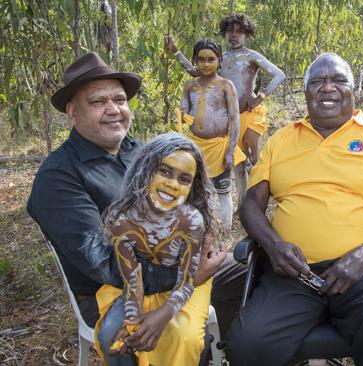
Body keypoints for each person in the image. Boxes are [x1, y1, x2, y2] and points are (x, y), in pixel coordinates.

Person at [27, 52, 245, 349]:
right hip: (112, 290)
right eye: (98, 102)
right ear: (73, 113)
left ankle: (226, 348)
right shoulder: (58, 177)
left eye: (119, 100)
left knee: (250, 273)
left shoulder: (140, 151)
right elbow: (102, 262)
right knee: (124, 335)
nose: (113, 109)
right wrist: (187, 275)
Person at [227, 53, 363, 366]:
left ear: (353, 90)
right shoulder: (282, 140)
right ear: (305, 93)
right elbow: (251, 204)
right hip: (293, 273)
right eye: (317, 81)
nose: (327, 87)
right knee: (247, 345)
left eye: (338, 80)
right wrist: (273, 246)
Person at [96, 133, 215, 365]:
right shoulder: (121, 219)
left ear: (192, 186)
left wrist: (164, 314)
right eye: (165, 171)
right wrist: (133, 321)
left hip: (188, 284)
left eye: (184, 179)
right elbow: (131, 279)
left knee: (184, 338)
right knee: (113, 336)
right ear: (145, 169)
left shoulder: (190, 221)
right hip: (141, 286)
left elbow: (187, 280)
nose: (172, 184)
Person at [164, 13, 286, 204]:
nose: (234, 35)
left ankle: (272, 197)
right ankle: (244, 203)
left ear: (247, 35)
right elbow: (195, 71)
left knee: (255, 158)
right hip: (231, 119)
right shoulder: (221, 59)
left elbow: (279, 75)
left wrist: (261, 97)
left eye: (239, 32)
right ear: (224, 33)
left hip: (250, 114)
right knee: (238, 162)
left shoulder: (251, 56)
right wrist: (176, 52)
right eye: (230, 31)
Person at [178, 38, 246, 231]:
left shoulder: (226, 85)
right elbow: (184, 111)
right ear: (195, 61)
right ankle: (199, 226)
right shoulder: (190, 85)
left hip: (219, 146)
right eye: (201, 60)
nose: (206, 64)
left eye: (211, 59)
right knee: (196, 188)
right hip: (195, 145)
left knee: (223, 190)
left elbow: (234, 119)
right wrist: (182, 115)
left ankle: (223, 229)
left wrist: (231, 151)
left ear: (219, 61)